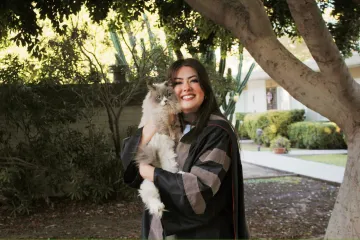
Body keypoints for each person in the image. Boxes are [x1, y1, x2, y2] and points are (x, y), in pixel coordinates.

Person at [121, 58, 249, 239]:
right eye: (178, 83)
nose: (186, 88)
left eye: (193, 80)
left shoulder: (217, 132)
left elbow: (199, 190)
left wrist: (150, 172)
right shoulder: (169, 126)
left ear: (204, 87)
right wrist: (151, 127)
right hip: (159, 232)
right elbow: (128, 162)